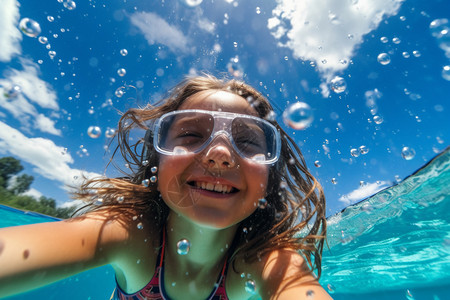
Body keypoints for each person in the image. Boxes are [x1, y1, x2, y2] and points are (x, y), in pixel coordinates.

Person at [0, 74, 332, 300]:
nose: (219, 154)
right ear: (157, 163)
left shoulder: (264, 258)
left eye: (247, 141)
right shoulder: (131, 233)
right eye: (191, 135)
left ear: (268, 178)